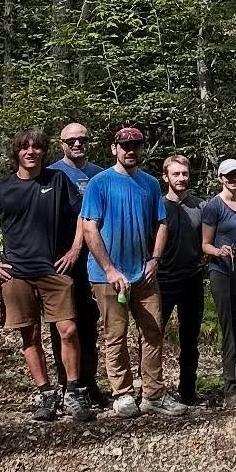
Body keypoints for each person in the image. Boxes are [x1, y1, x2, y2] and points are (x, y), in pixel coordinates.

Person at [0, 129, 92, 423]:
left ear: (44, 152)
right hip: (15, 274)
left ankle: (73, 392)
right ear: (16, 153)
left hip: (54, 270)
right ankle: (45, 393)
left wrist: (75, 249)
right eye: (24, 148)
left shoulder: (57, 180)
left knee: (67, 330)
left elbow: (83, 213)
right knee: (29, 336)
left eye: (37, 147)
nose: (31, 152)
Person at [80, 124, 175, 418]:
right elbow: (88, 228)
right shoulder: (99, 183)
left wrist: (155, 259)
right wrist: (109, 269)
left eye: (136, 146)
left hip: (143, 273)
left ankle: (154, 394)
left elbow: (161, 223)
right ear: (114, 149)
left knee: (153, 331)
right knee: (115, 334)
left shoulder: (149, 184)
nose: (130, 150)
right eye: (124, 146)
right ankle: (122, 393)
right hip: (107, 276)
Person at [49, 120, 105, 408]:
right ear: (62, 144)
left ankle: (89, 384)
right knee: (62, 326)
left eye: (82, 139)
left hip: (94, 261)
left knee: (88, 323)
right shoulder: (51, 174)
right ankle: (66, 385)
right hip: (60, 261)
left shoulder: (99, 174)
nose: (77, 144)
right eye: (71, 140)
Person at [201, 159, 236, 405]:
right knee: (230, 330)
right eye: (229, 175)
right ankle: (231, 388)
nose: (233, 179)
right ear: (220, 178)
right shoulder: (214, 206)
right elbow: (205, 245)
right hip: (221, 273)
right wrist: (219, 251)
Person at [158, 154, 206, 407]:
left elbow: (208, 241)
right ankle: (152, 391)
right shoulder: (156, 206)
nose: (181, 178)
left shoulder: (201, 206)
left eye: (184, 174)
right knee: (154, 337)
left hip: (192, 280)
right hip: (161, 281)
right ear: (166, 177)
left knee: (190, 341)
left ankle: (188, 390)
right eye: (175, 174)